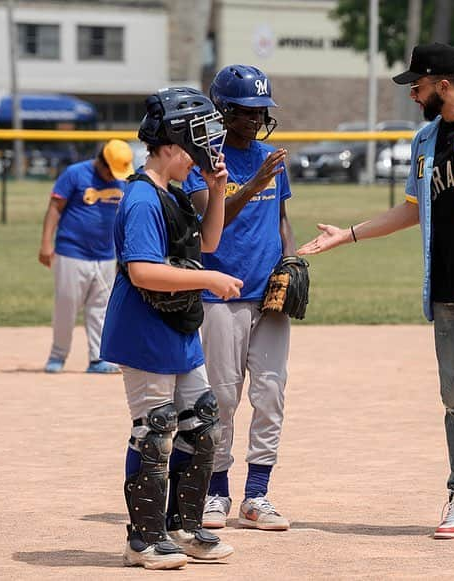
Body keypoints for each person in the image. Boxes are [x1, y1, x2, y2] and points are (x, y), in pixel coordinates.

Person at [298, 43, 454, 540]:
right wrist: (347, 234)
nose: (412, 94)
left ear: (442, 83)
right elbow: (412, 210)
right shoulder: (424, 140)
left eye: (417, 85)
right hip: (449, 291)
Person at [100, 86, 241, 570]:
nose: (206, 152)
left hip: (178, 324)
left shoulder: (175, 194)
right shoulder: (142, 198)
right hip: (144, 329)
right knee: (155, 431)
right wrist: (210, 278)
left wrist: (218, 191)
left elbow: (210, 238)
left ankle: (183, 526)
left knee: (201, 424)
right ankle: (143, 539)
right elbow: (142, 270)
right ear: (174, 143)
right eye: (200, 142)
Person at [181, 64, 292, 532]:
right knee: (223, 397)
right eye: (246, 111)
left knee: (270, 395)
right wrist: (253, 184)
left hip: (268, 298)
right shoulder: (204, 163)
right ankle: (216, 492)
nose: (255, 119)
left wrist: (289, 263)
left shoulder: (271, 157)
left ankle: (257, 495)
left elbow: (282, 220)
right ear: (223, 111)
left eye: (260, 111)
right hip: (219, 296)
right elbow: (213, 220)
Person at [39, 139, 134, 373]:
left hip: (105, 255)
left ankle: (97, 358)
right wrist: (45, 244)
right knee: (66, 306)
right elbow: (54, 208)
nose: (114, 176)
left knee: (100, 308)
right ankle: (58, 355)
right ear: (100, 162)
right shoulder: (75, 174)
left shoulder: (123, 181)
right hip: (72, 251)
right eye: (110, 170)